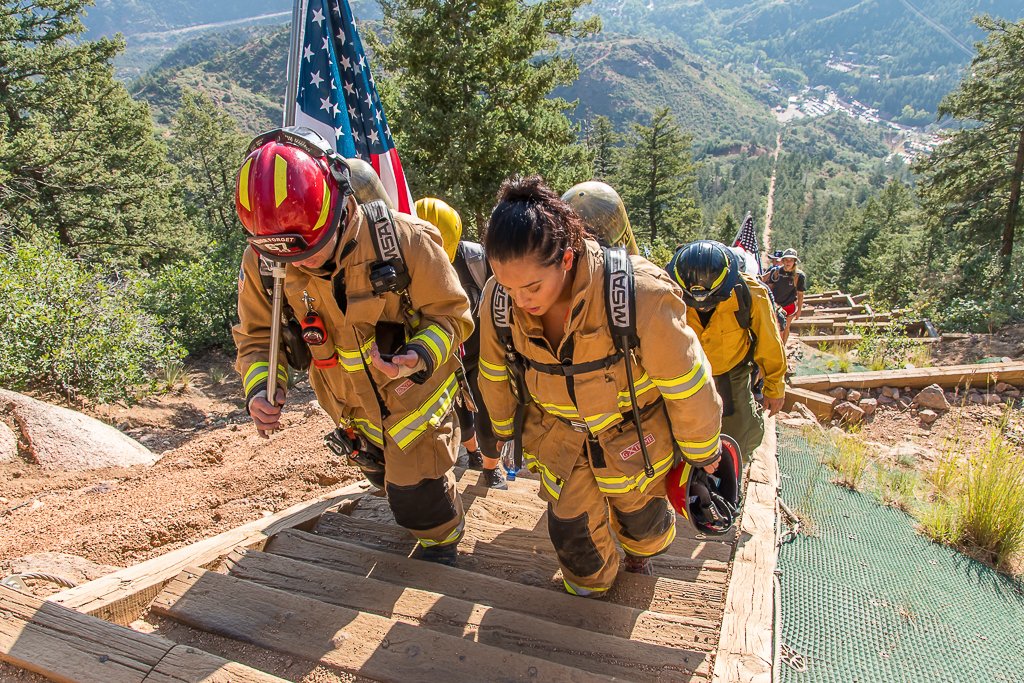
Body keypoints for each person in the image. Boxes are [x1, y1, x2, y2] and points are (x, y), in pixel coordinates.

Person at [233, 127, 473, 566]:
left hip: (413, 402)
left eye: (311, 251)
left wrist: (418, 355)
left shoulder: (406, 242)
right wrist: (262, 386)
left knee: (417, 499)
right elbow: (255, 337)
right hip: (348, 410)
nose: (299, 265)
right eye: (285, 258)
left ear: (341, 206)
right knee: (383, 481)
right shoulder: (268, 260)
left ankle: (443, 543)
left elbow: (453, 317)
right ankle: (406, 495)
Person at [478, 176, 723, 597]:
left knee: (644, 528)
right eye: (508, 286)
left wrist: (703, 451)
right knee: (577, 545)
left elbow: (688, 385)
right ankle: (590, 596)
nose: (520, 300)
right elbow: (495, 372)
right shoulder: (499, 301)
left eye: (532, 287)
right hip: (559, 440)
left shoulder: (641, 294)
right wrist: (503, 434)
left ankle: (638, 556)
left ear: (567, 258)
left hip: (635, 443)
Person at [415, 197, 507, 489]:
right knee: (461, 415)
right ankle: (473, 454)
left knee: (488, 416)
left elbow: (499, 299)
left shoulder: (475, 261)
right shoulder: (411, 264)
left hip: (480, 354)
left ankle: (492, 469)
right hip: (444, 357)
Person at [667, 241, 787, 459]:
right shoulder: (668, 290)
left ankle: (732, 475)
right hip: (685, 374)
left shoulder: (751, 293)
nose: (703, 306)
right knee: (679, 434)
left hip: (732, 373)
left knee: (739, 434)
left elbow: (770, 342)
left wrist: (775, 387)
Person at [761, 248, 806, 344]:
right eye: (786, 259)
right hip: (776, 304)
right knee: (774, 326)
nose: (788, 262)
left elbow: (800, 294)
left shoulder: (799, 276)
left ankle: (783, 347)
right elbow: (770, 288)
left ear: (794, 261)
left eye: (791, 260)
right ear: (783, 260)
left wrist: (799, 310)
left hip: (789, 305)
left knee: (786, 327)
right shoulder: (776, 272)